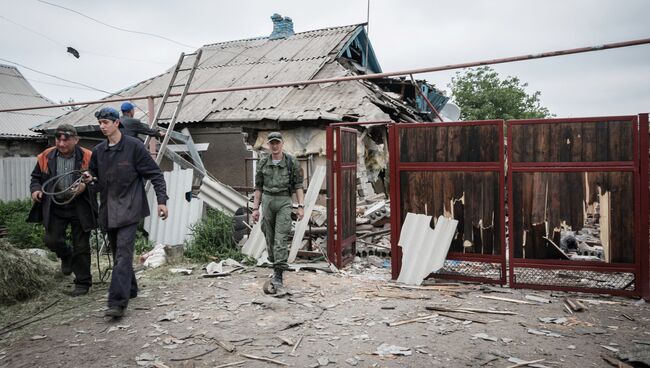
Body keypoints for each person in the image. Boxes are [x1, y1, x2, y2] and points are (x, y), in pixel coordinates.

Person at [84, 107, 169, 318]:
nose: (102, 126)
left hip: (130, 209)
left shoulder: (134, 148)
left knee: (122, 255)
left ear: (116, 123)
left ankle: (117, 303)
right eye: (100, 123)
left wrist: (162, 201)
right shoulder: (99, 151)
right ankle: (130, 289)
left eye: (105, 122)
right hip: (109, 210)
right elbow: (93, 175)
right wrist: (88, 178)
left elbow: (155, 174)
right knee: (118, 255)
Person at [28, 124, 97, 296]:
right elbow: (36, 178)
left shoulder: (88, 156)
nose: (61, 143)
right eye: (58, 139)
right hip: (55, 206)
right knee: (51, 240)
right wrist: (35, 190)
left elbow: (99, 179)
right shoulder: (46, 155)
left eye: (66, 140)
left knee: (81, 245)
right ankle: (66, 255)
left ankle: (82, 283)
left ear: (76, 140)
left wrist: (86, 184)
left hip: (80, 207)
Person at [251, 132, 304, 294]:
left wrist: (301, 205)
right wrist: (255, 209)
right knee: (269, 236)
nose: (274, 146)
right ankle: (275, 264)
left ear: (282, 144)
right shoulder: (263, 163)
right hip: (267, 201)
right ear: (268, 145)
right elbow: (258, 187)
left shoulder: (291, 161)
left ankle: (279, 274)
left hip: (283, 201)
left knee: (281, 236)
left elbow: (298, 185)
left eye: (277, 143)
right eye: (271, 143)